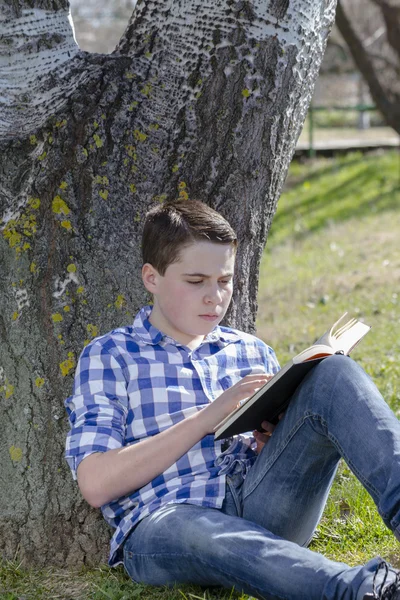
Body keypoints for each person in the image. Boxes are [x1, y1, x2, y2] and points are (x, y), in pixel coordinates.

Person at [65, 199, 400, 600]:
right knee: (206, 533)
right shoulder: (110, 355)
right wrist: (208, 418)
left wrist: (272, 441)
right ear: (151, 278)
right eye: (195, 281)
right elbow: (96, 483)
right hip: (166, 522)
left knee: (333, 373)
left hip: (262, 503)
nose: (214, 297)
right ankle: (369, 592)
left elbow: (273, 455)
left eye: (224, 281)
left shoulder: (250, 351)